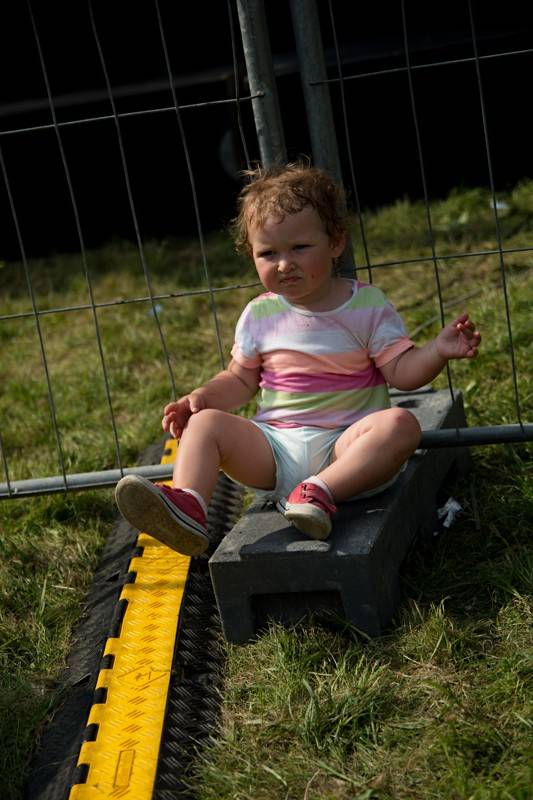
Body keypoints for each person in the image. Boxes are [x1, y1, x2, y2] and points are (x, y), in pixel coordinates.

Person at [115, 162, 481, 556]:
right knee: (204, 425)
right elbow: (239, 380)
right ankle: (189, 507)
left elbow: (402, 373)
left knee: (400, 424)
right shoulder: (259, 314)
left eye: (299, 248)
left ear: (336, 242)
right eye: (268, 253)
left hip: (348, 449)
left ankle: (321, 492)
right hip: (274, 451)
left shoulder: (367, 306)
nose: (284, 264)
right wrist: (201, 397)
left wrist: (436, 351)